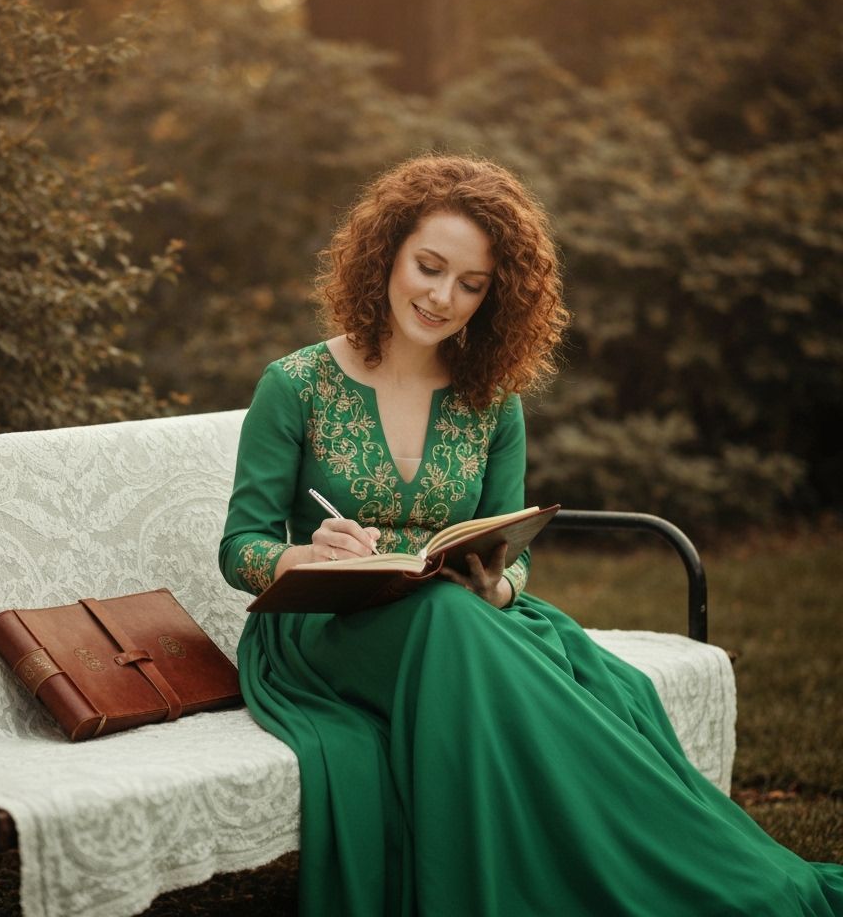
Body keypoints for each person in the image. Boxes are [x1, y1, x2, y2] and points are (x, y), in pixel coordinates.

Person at [219, 154, 843, 916]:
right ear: (386, 254)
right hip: (323, 631)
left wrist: (501, 584)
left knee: (558, 661)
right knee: (457, 626)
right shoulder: (295, 386)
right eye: (429, 266)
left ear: (495, 295)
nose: (443, 296)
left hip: (464, 616)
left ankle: (712, 879)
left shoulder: (493, 402)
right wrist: (306, 553)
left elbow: (517, 551)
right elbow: (240, 546)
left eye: (472, 284)